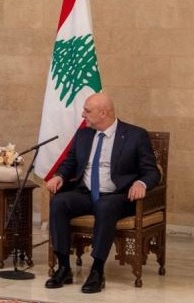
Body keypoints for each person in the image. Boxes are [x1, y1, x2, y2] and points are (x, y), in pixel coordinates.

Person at [44, 92, 160, 294]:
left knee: (104, 206)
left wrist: (141, 183)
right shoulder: (83, 135)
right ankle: (63, 267)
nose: (83, 115)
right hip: (86, 193)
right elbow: (70, 162)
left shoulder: (135, 135)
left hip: (118, 196)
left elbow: (152, 172)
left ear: (103, 113)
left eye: (87, 111)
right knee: (59, 202)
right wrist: (60, 176)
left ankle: (97, 271)